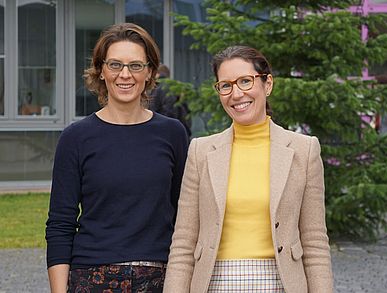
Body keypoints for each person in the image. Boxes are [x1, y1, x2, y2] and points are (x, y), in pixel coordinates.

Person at [163, 45, 333, 293]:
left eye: (245, 81)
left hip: (281, 282)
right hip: (214, 282)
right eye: (226, 85)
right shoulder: (201, 152)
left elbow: (315, 242)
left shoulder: (304, 150)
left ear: (268, 84)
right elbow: (183, 243)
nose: (236, 93)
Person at [45, 23, 188, 293]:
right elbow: (60, 224)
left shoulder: (173, 133)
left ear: (149, 72)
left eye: (135, 65)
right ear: (101, 71)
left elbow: (184, 217)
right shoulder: (75, 137)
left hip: (159, 278)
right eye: (115, 65)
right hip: (92, 278)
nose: (125, 75)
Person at [149, 64, 192, 137]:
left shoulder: (159, 89)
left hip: (165, 134)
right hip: (181, 133)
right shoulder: (176, 89)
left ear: (156, 74)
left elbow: (155, 112)